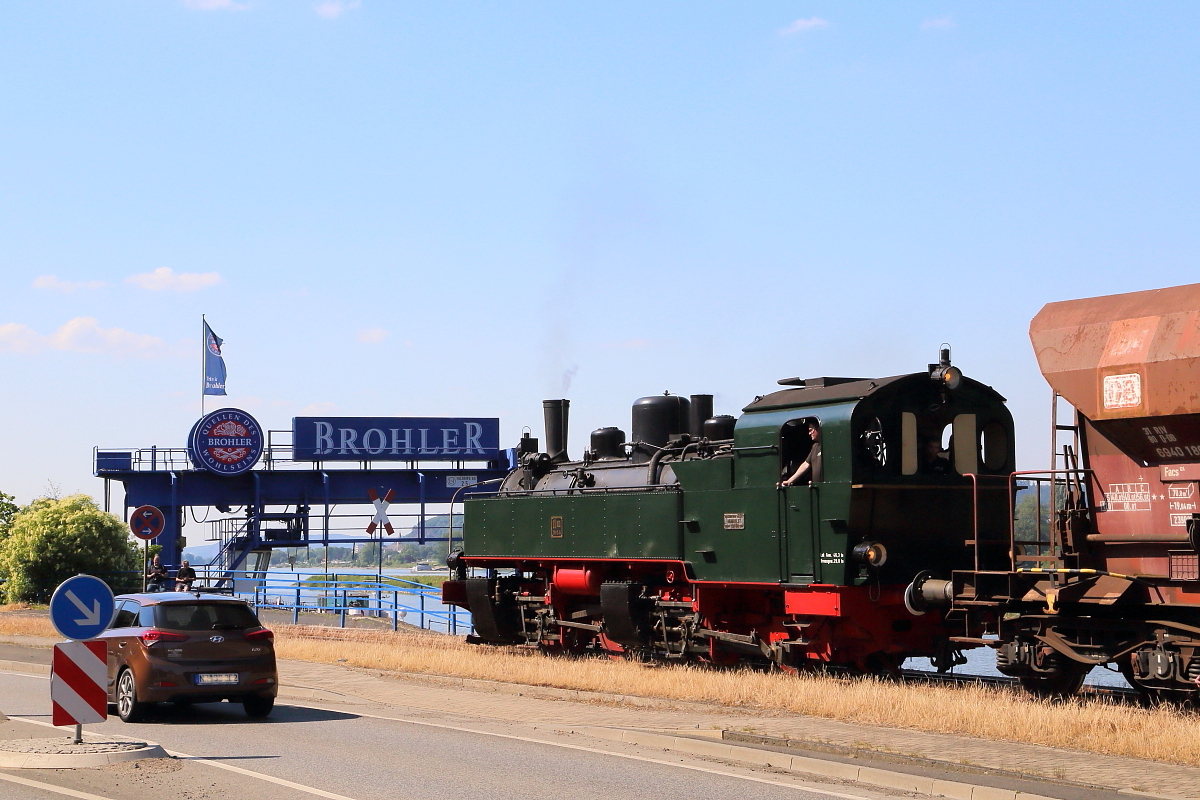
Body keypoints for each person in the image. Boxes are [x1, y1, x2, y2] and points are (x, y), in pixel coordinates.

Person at [779, 421, 821, 487]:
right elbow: (806, 464)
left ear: (819, 429)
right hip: (816, 486)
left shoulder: (827, 445)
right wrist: (790, 481)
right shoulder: (815, 446)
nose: (809, 433)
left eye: (811, 430)